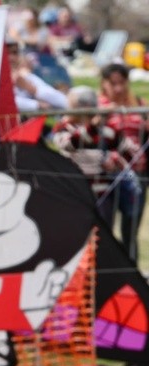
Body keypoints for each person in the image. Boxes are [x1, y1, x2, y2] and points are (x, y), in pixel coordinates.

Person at [51, 85, 124, 224]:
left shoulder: (104, 128)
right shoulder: (63, 127)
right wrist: (93, 126)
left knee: (104, 233)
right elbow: (69, 145)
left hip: (102, 190)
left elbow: (125, 148)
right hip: (74, 190)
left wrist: (115, 159)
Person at [98, 63, 149, 260]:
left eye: (122, 83)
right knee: (104, 230)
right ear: (104, 84)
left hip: (137, 174)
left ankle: (132, 278)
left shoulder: (139, 103)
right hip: (106, 175)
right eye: (113, 83)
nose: (118, 88)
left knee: (131, 229)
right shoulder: (97, 105)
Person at [7, 40, 68, 112]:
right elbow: (3, 102)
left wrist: (31, 89)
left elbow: (63, 101)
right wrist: (36, 105)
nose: (11, 58)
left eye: (15, 53)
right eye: (6, 53)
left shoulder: (25, 76)